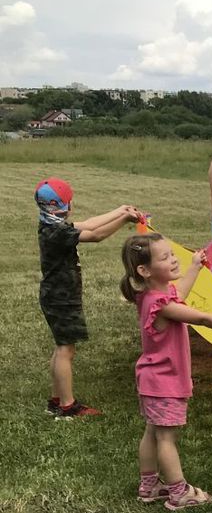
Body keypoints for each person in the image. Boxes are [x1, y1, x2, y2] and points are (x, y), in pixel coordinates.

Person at [120, 233, 212, 510]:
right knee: (166, 438)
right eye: (165, 257)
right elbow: (202, 317)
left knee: (152, 432)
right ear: (144, 270)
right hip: (164, 381)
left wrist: (194, 267)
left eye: (172, 254)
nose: (173, 259)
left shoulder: (154, 297)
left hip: (152, 379)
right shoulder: (161, 305)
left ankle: (148, 486)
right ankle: (179, 492)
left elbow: (180, 295)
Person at [36, 178, 141, 419]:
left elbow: (91, 224)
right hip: (61, 297)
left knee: (62, 347)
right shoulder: (57, 232)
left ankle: (56, 400)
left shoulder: (50, 224)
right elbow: (95, 235)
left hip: (55, 296)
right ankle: (67, 406)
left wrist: (121, 210)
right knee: (65, 350)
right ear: (61, 204)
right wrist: (124, 220)